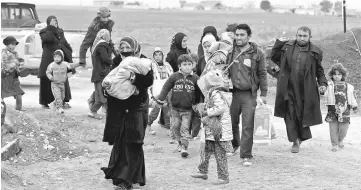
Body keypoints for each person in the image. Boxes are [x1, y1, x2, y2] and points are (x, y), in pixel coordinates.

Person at [101, 37, 153, 190]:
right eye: (121, 47)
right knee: (120, 141)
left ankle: (127, 179)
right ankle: (120, 172)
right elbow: (111, 78)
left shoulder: (143, 62)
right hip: (120, 107)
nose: (124, 50)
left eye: (127, 47)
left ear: (135, 48)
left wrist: (132, 77)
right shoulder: (117, 61)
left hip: (137, 106)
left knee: (133, 142)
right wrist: (106, 89)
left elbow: (148, 81)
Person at [270, 26, 327, 153]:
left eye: (304, 36)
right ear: (296, 36)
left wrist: (322, 83)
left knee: (302, 114)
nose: (302, 38)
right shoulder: (287, 47)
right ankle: (295, 140)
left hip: (305, 88)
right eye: (299, 35)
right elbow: (273, 57)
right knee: (289, 113)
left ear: (309, 37)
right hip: (288, 87)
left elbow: (319, 70)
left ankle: (301, 137)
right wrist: (278, 43)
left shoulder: (316, 52)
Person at [227, 24, 268, 166]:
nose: (238, 37)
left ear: (249, 36)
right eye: (236, 34)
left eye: (242, 35)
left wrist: (263, 94)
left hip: (249, 95)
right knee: (231, 123)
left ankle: (246, 154)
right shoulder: (230, 51)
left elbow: (262, 74)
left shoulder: (257, 53)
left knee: (247, 125)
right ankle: (234, 144)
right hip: (232, 94)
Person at [155, 54, 201, 158]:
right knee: (175, 127)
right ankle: (180, 143)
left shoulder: (195, 78)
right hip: (175, 109)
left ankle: (184, 148)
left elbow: (200, 92)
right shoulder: (174, 76)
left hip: (188, 110)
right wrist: (160, 99)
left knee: (185, 128)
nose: (188, 67)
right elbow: (166, 87)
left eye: (190, 64)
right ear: (179, 66)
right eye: (185, 64)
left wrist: (199, 104)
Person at [191, 70, 232, 185]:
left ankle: (224, 177)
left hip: (219, 130)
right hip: (212, 129)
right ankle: (202, 171)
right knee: (205, 150)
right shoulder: (214, 93)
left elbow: (220, 109)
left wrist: (206, 112)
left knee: (220, 154)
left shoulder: (216, 93)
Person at [39, 16, 73, 109]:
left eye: (56, 21)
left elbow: (64, 42)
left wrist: (69, 50)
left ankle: (63, 101)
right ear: (48, 22)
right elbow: (47, 39)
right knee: (48, 79)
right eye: (52, 21)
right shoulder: (44, 31)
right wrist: (51, 28)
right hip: (49, 59)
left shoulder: (60, 31)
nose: (55, 22)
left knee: (62, 79)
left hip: (60, 60)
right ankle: (46, 102)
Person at [324, 63, 358, 152]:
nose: (336, 76)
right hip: (332, 110)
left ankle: (340, 139)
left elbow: (352, 98)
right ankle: (334, 144)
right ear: (332, 75)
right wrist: (322, 89)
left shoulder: (349, 87)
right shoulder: (329, 85)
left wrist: (354, 106)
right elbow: (325, 94)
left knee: (344, 129)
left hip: (345, 110)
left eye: (339, 74)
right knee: (333, 129)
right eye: (334, 74)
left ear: (343, 75)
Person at [147, 47, 173, 135]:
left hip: (167, 90)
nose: (158, 57)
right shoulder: (151, 66)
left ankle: (168, 128)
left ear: (162, 55)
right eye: (156, 55)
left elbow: (172, 77)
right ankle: (148, 124)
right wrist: (151, 92)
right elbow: (149, 80)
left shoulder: (167, 66)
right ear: (153, 56)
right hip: (157, 91)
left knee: (167, 109)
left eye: (160, 55)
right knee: (156, 109)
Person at [87, 29, 113, 119]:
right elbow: (105, 58)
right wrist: (114, 62)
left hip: (97, 74)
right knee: (102, 96)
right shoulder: (103, 45)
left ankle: (92, 108)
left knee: (99, 95)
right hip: (101, 74)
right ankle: (93, 110)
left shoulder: (96, 45)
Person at [1, 36, 25, 111]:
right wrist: (16, 62)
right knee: (2, 92)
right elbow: (6, 63)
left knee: (18, 91)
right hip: (6, 75)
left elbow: (16, 61)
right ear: (7, 45)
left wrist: (19, 61)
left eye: (15, 44)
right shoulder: (4, 53)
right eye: (12, 44)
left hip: (14, 75)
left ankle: (19, 108)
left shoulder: (15, 53)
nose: (14, 46)